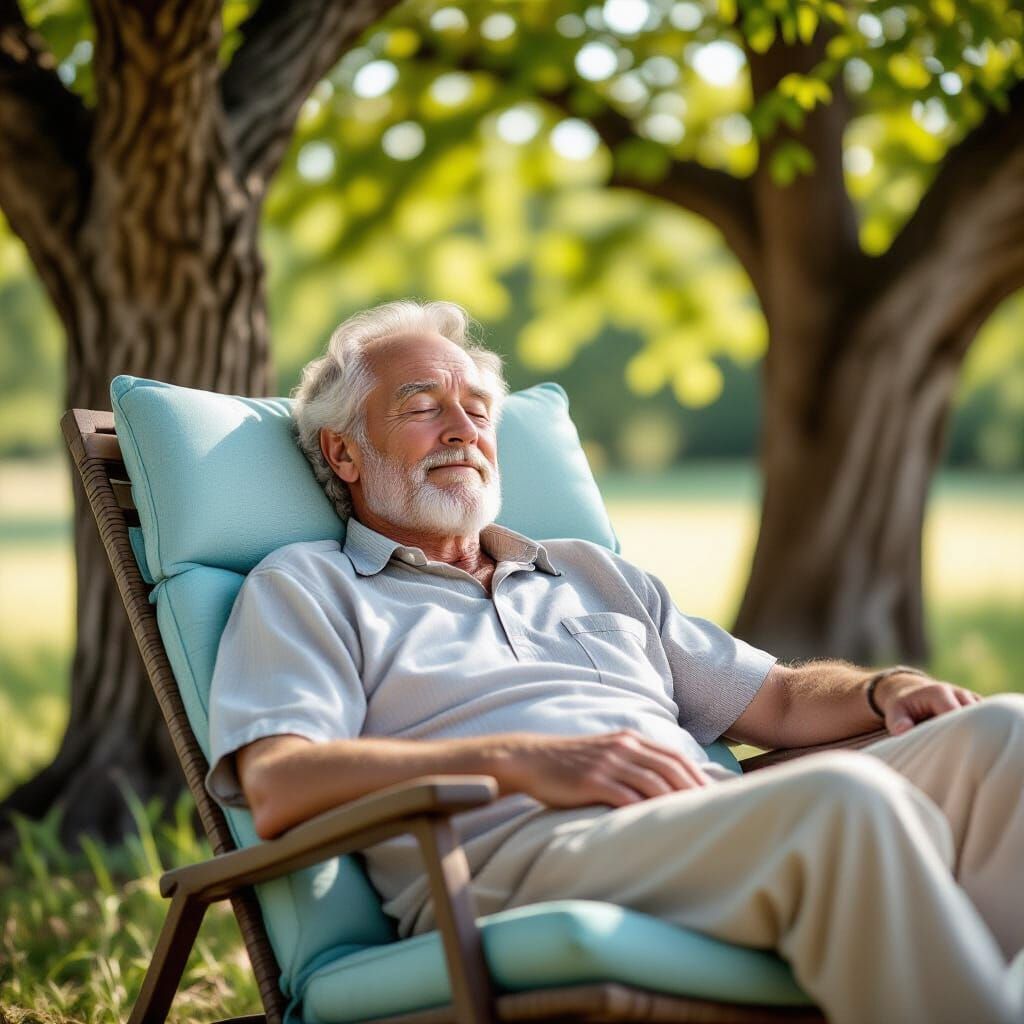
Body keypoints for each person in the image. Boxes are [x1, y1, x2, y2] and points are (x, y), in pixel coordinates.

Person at [206, 299, 1024, 1024]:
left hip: (696, 820)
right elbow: (280, 783)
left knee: (1006, 737)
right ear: (344, 455)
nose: (464, 429)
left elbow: (777, 699)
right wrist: (522, 762)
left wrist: (885, 687)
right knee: (842, 800)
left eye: (478, 409)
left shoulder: (589, 570)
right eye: (423, 408)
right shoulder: (308, 587)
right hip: (514, 859)